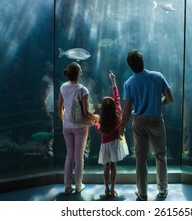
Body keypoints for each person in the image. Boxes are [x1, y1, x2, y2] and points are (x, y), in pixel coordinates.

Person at [120, 50, 174, 201]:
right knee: (161, 155)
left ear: (130, 66)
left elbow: (126, 109)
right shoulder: (158, 76)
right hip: (156, 119)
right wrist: (158, 103)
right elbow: (170, 98)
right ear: (143, 61)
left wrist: (121, 127)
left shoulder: (129, 83)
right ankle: (162, 189)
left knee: (141, 158)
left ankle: (142, 193)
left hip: (139, 121)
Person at [58, 62, 100, 194]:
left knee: (69, 155)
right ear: (79, 73)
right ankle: (78, 185)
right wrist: (96, 117)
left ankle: (67, 186)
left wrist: (63, 119)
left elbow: (60, 107)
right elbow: (86, 113)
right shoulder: (83, 89)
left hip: (67, 126)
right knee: (79, 156)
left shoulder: (63, 87)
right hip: (80, 126)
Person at [95, 70, 129, 198]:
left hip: (105, 144)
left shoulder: (102, 120)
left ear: (102, 109)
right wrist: (113, 81)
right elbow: (118, 98)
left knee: (106, 165)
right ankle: (113, 189)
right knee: (113, 165)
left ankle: (106, 189)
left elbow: (99, 129)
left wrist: (95, 122)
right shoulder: (118, 114)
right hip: (115, 143)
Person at [39, 61, 54, 156]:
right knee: (48, 131)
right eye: (49, 64)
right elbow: (41, 95)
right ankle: (46, 151)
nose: (51, 65)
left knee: (51, 130)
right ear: (45, 68)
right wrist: (46, 110)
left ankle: (48, 150)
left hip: (53, 109)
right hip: (48, 109)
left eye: (51, 64)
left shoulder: (52, 79)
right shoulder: (45, 79)